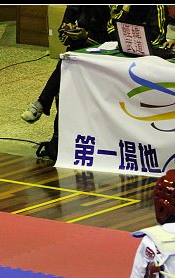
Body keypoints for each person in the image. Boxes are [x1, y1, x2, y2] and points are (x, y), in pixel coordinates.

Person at [20, 6, 111, 163]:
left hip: (101, 55)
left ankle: (41, 103)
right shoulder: (74, 7)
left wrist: (87, 36)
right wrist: (66, 32)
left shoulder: (107, 9)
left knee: (64, 65)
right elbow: (63, 35)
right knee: (65, 63)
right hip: (76, 54)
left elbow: (111, 41)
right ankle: (56, 140)